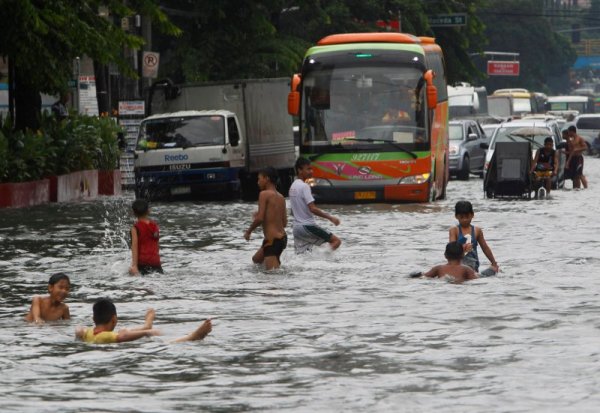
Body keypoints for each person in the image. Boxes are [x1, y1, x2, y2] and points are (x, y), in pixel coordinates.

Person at [75, 298, 212, 344]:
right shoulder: (108, 336)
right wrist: (148, 332)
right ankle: (193, 336)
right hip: (119, 341)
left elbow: (79, 329)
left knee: (124, 330)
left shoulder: (88, 333)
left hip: (102, 336)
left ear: (94, 319)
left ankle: (146, 324)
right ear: (114, 319)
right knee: (166, 343)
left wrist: (80, 331)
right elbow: (122, 336)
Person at [289, 157, 341, 254]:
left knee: (302, 256)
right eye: (308, 169)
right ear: (299, 170)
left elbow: (293, 211)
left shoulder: (292, 187)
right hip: (307, 226)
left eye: (311, 169)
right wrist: (330, 218)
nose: (311, 171)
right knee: (336, 241)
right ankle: (322, 259)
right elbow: (312, 208)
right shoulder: (305, 186)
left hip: (296, 228)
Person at [244, 167, 288, 270]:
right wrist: (267, 215)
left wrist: (248, 231)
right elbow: (284, 223)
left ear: (266, 178)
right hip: (282, 239)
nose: (258, 182)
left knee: (272, 279)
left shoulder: (264, 194)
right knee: (256, 260)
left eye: (259, 179)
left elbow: (260, 219)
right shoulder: (281, 197)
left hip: (272, 242)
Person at [449, 201, 499, 273]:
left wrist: (494, 263)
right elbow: (452, 250)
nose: (465, 220)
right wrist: (463, 248)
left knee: (492, 271)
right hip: (458, 266)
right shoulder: (454, 230)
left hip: (473, 267)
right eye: (462, 217)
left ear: (472, 215)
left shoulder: (477, 230)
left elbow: (485, 247)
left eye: (467, 217)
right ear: (456, 216)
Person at [129, 199, 163, 275]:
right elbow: (156, 244)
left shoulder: (135, 228)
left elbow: (134, 246)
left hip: (143, 263)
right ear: (149, 211)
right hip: (156, 263)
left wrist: (134, 265)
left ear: (133, 213)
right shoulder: (155, 226)